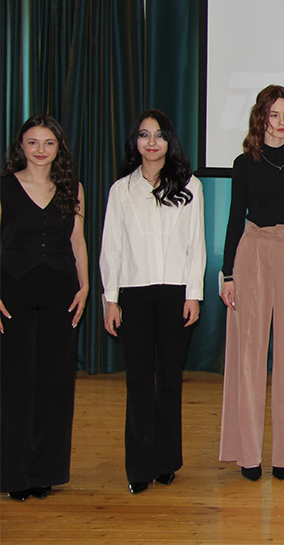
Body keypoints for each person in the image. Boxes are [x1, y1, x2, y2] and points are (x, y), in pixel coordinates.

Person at [219, 85, 284, 481]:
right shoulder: (244, 163)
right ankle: (247, 453)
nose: (280, 123)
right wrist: (228, 274)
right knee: (247, 355)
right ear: (260, 118)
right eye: (274, 115)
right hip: (253, 252)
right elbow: (234, 218)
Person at [99, 110, 206, 494]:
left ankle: (167, 462)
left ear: (169, 141)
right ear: (136, 142)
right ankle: (139, 467)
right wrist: (111, 300)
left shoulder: (190, 186)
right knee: (139, 381)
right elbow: (111, 248)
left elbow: (196, 245)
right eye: (144, 135)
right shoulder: (121, 191)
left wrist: (193, 294)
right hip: (134, 294)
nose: (152, 142)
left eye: (159, 135)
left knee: (170, 382)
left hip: (176, 293)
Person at [0, 115, 89, 501]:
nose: (40, 150)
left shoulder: (72, 188)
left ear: (58, 148)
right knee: (15, 386)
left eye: (48, 143)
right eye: (33, 142)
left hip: (61, 295)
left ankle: (44, 473)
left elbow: (78, 241)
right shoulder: (4, 187)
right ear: (21, 146)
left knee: (54, 386)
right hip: (12, 296)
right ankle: (13, 475)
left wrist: (85, 286)